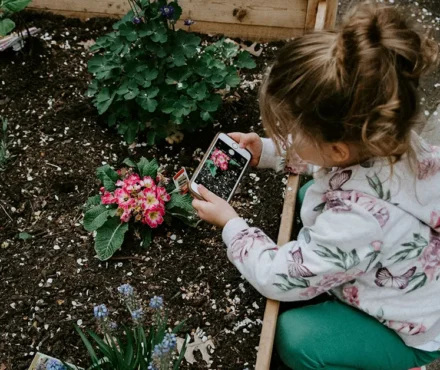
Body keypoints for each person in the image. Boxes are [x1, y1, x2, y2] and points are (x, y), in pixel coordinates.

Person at [192, 2, 440, 370]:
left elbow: (277, 279)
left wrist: (232, 226)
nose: (284, 134)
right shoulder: (391, 140)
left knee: (296, 338)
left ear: (338, 149)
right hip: (405, 264)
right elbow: (328, 160)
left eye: (291, 131)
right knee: (310, 195)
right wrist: (270, 152)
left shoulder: (356, 222)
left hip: (411, 327)